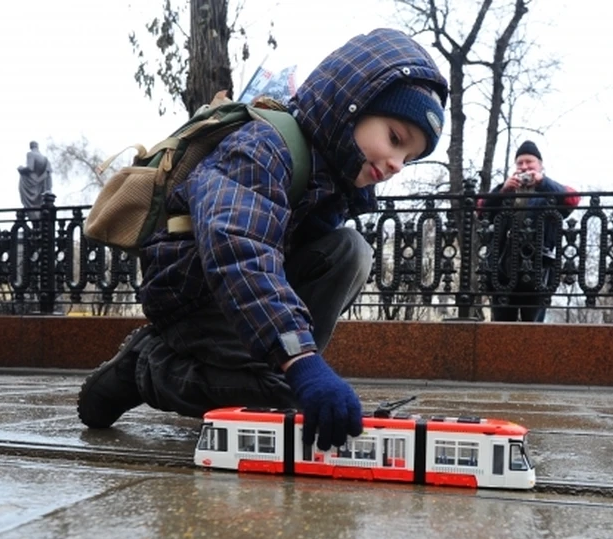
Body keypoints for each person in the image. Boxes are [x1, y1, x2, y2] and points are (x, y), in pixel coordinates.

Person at [77, 28, 448, 452]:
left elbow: (297, 268)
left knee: (349, 251)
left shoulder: (333, 185)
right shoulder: (261, 148)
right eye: (395, 139)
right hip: (194, 298)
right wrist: (302, 365)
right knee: (279, 398)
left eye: (409, 158)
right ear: (354, 105)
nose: (397, 164)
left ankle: (275, 368)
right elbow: (239, 250)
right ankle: (146, 366)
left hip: (239, 304)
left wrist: (297, 361)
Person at [479, 140, 580, 322]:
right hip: (502, 270)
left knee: (533, 332)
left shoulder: (550, 191)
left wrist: (542, 182)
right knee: (500, 331)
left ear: (540, 166)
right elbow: (480, 211)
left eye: (529, 162)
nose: (524, 166)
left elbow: (573, 199)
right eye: (520, 163)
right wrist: (503, 191)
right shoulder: (505, 190)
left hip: (538, 272)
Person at [17, 141, 53, 209]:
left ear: (30, 146)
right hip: (40, 183)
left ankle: (30, 206)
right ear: (37, 146)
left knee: (22, 176)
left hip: (31, 182)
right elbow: (47, 171)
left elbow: (30, 168)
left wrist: (21, 169)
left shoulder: (30, 154)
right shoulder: (44, 158)